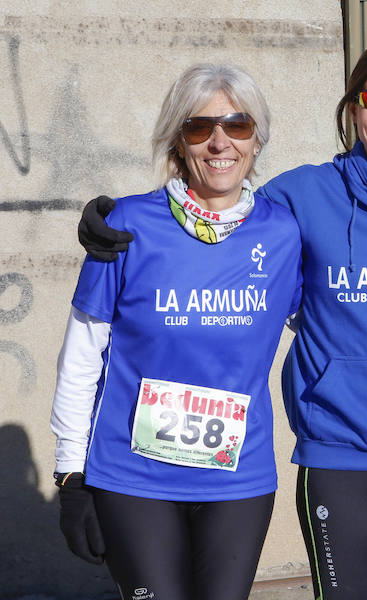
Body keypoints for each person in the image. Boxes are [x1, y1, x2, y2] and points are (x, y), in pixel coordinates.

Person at [76, 39, 367, 600]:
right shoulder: (298, 196)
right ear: (353, 108)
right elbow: (215, 208)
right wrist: (115, 220)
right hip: (336, 448)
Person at [50, 63, 303, 600]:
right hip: (133, 478)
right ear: (177, 140)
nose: (219, 142)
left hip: (236, 479)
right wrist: (71, 475)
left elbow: (336, 319)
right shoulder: (124, 228)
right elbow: (81, 356)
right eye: (199, 127)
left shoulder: (284, 233)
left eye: (237, 126)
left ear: (257, 140)